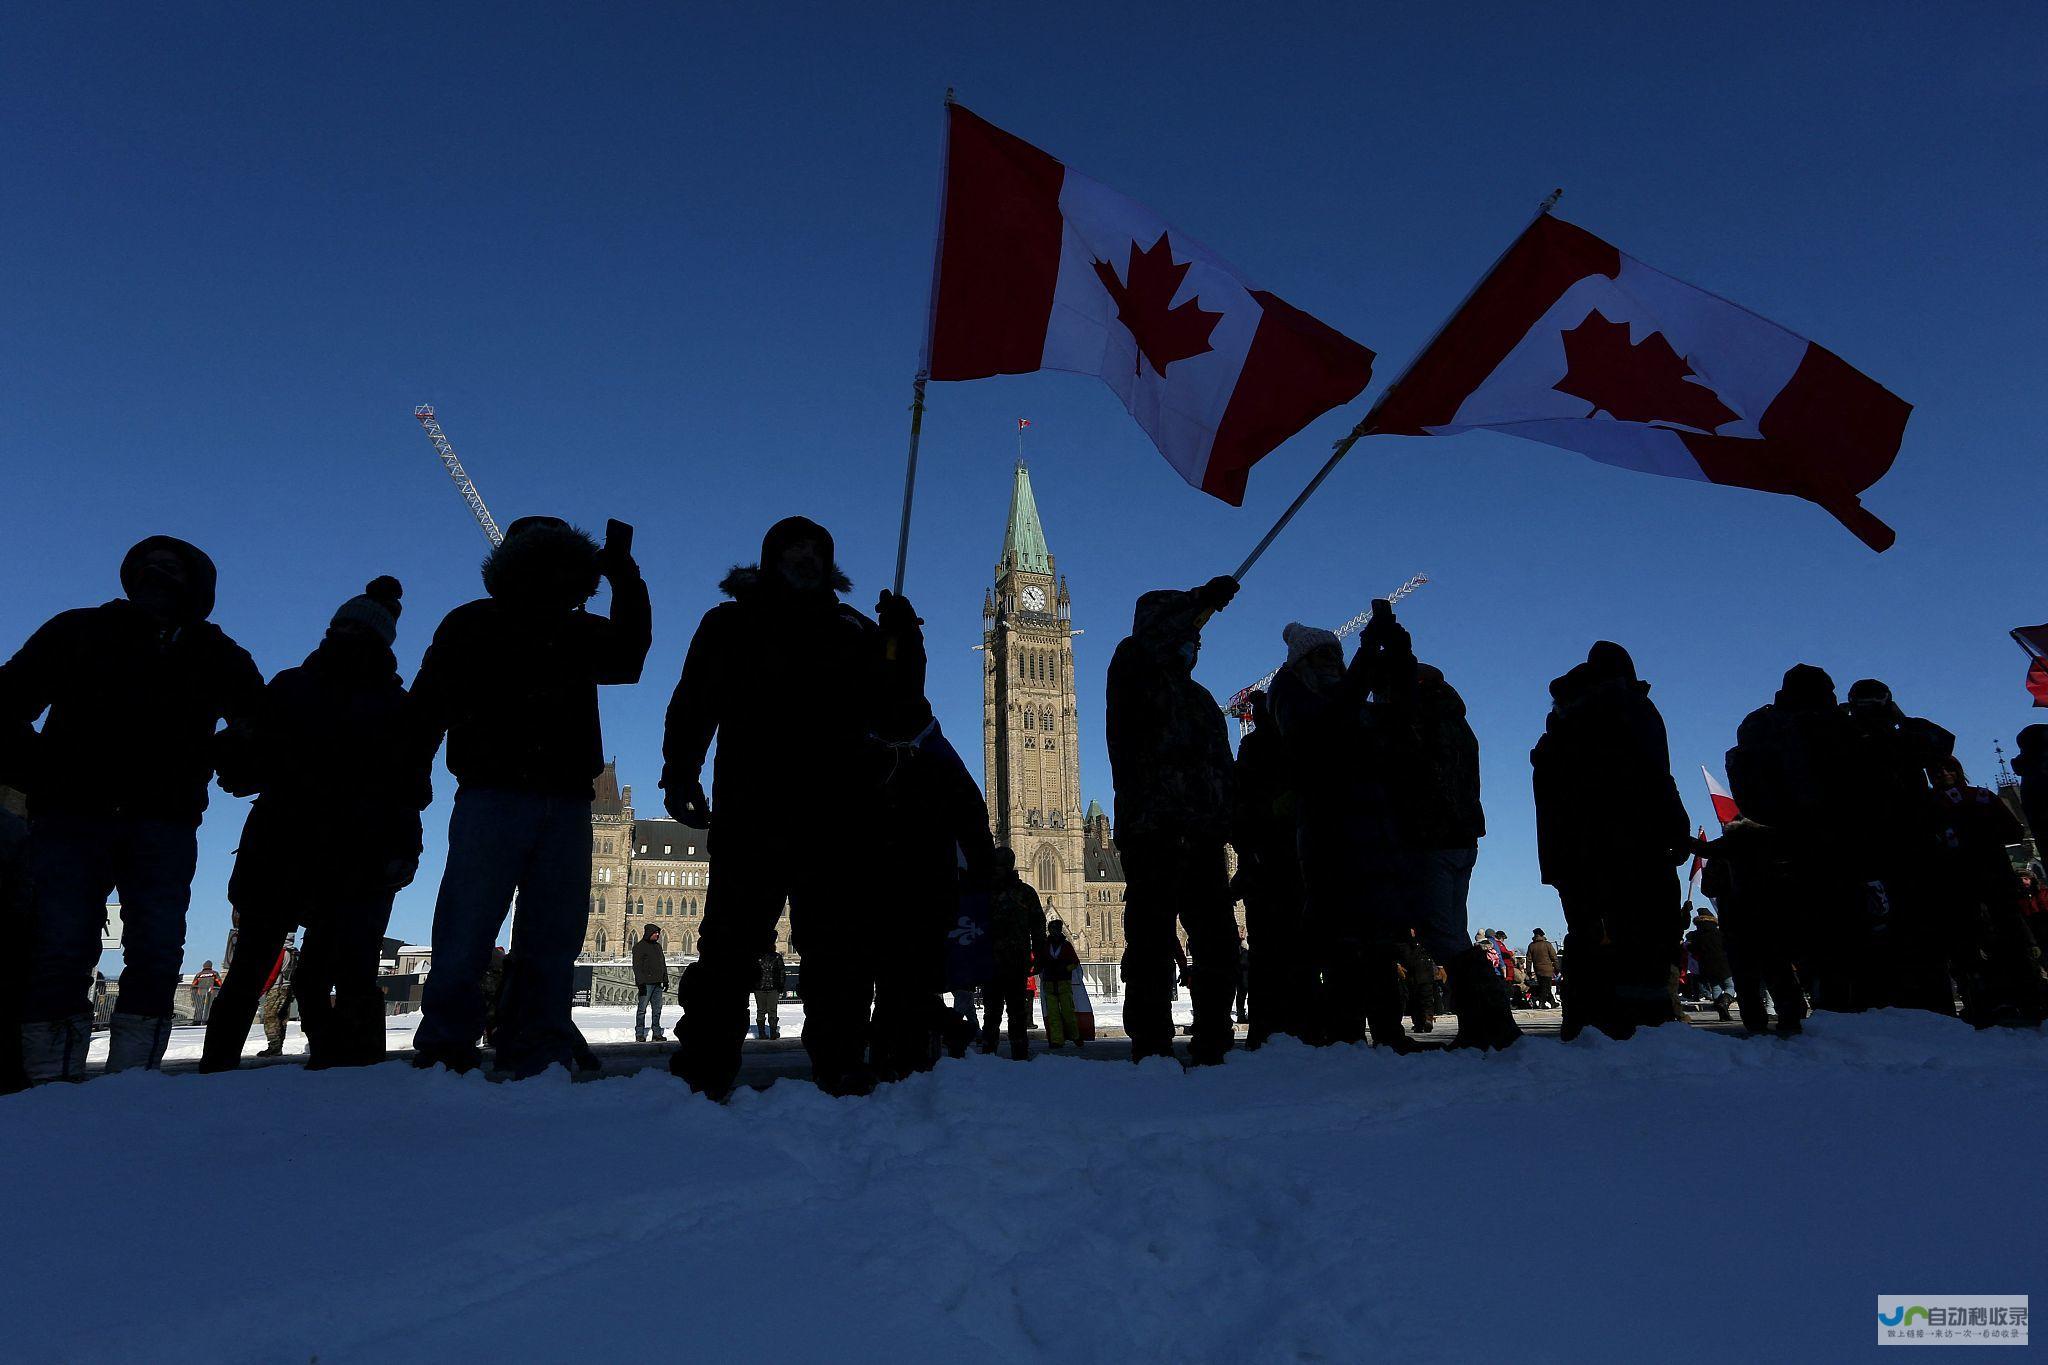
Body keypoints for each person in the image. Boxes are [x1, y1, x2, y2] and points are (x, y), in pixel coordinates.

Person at [1, 536, 263, 1079]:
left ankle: (133, 1084)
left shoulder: (215, 652)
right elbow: (7, 702)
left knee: (156, 949)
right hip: (73, 815)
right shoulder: (77, 630)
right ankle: (50, 1078)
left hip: (163, 820)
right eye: (150, 567)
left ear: (196, 588)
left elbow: (258, 728)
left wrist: (229, 759)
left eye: (171, 569)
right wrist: (39, 770)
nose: (157, 576)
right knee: (59, 945)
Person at [409, 517, 650, 1077]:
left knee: (550, 933)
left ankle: (535, 1044)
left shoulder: (576, 630)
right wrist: (412, 777)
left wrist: (625, 575)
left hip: (566, 801)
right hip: (494, 792)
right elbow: (427, 707)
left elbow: (630, 658)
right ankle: (449, 1044)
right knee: (469, 926)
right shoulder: (474, 622)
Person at [663, 517, 882, 1099]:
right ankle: (707, 1062)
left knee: (836, 949)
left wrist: (904, 649)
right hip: (752, 808)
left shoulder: (854, 631)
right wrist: (680, 770)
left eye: (816, 552)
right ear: (771, 559)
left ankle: (840, 1061)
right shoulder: (731, 623)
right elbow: (693, 701)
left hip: (832, 816)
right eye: (794, 551)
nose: (805, 560)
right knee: (730, 947)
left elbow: (894, 714)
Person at [200, 577, 430, 1073]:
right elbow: (415, 791)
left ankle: (216, 1070)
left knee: (252, 971)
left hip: (283, 842)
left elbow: (244, 769)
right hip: (354, 854)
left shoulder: (291, 686)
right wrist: (402, 850)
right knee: (344, 972)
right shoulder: (395, 704)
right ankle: (350, 1068)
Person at [1357, 603, 1516, 1050]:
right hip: (1459, 837)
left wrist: (1388, 645)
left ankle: (1495, 1024)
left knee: (1442, 934)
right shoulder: (1454, 722)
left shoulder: (1421, 720)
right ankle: (1480, 1026)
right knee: (1452, 930)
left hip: (1433, 838)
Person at [1104, 575, 1242, 1065]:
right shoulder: (1132, 670)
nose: (1194, 645)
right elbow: (1149, 642)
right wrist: (1201, 602)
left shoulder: (1202, 700)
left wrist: (1238, 834)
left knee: (1219, 944)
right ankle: (1152, 1043)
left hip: (1203, 837)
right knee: (1151, 946)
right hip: (1154, 833)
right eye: (1189, 636)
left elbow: (1224, 774)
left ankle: (1213, 1035)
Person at [865, 589, 996, 1082]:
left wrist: (982, 873)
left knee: (908, 981)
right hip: (877, 885)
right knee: (892, 982)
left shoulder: (931, 749)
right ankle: (910, 1053)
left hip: (923, 889)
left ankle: (913, 1060)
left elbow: (971, 815)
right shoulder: (879, 745)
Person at [1532, 642, 1690, 1041]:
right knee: (1646, 931)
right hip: (1634, 843)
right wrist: (1676, 826)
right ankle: (1650, 1021)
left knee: (1589, 935)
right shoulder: (1629, 710)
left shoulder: (1559, 730)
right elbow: (1655, 775)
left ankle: (1586, 1021)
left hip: (1573, 855)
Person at [1725, 665, 1868, 1013]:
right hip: (1829, 836)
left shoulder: (1758, 725)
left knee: (1789, 931)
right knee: (1836, 924)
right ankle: (1839, 1000)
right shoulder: (1830, 725)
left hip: (1777, 839)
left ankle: (1801, 1002)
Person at [1839, 679, 1954, 1011]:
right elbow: (1943, 745)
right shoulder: (1899, 734)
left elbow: (1942, 748)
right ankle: (1927, 1001)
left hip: (1876, 842)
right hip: (1901, 841)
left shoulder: (1849, 736)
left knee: (1888, 924)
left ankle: (1892, 1000)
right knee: (1912, 924)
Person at [1923, 758, 2046, 1027]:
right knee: (1985, 939)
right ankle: (2004, 996)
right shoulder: (1972, 799)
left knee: (2000, 937)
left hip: (1982, 879)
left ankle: (2018, 996)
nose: (1944, 773)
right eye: (1938, 770)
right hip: (1972, 881)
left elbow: (2012, 830)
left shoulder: (1950, 802)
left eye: (1948, 768)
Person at [1230, 689, 1312, 1045]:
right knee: (1291, 947)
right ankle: (1292, 1024)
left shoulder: (1256, 751)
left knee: (1273, 950)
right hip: (1281, 862)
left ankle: (1269, 1028)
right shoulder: (1288, 750)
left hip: (1273, 862)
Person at [1696, 818, 1806, 1037]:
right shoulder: (1774, 843)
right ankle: (1791, 1017)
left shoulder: (1723, 849)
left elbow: (1708, 888)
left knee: (1746, 976)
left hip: (1737, 921)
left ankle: (1755, 1023)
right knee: (1778, 969)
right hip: (1772, 917)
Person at [982, 847, 1047, 1060]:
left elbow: (1038, 926)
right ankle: (989, 1055)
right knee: (992, 1013)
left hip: (1014, 963)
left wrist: (1039, 954)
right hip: (993, 962)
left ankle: (1018, 1056)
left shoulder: (1024, 893)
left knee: (1016, 1013)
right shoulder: (989, 892)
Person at [1038, 920, 1082, 1049]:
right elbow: (1040, 962)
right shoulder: (1046, 946)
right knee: (1053, 1014)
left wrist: (1064, 969)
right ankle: (1057, 1040)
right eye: (1051, 929)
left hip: (1063, 983)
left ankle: (1075, 1036)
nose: (1054, 932)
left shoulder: (1066, 945)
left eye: (1056, 929)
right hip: (1050, 984)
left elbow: (1075, 962)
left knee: (1068, 1013)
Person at [1686, 910, 1735, 1021]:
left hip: (1706, 965)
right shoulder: (1719, 933)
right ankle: (1725, 1002)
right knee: (1730, 986)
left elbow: (1693, 949)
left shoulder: (1696, 935)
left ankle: (1722, 1013)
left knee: (1715, 987)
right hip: (1723, 963)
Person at [257, 940, 297, 1056]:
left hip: (276, 988)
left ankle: (274, 1046)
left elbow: (273, 973)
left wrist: (263, 989)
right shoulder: (291, 951)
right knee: (282, 1017)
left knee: (270, 1016)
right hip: (287, 987)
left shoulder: (280, 951)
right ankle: (278, 1046)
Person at [632, 924, 668, 1043]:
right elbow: (637, 967)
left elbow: (662, 964)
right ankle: (639, 1033)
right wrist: (641, 983)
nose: (657, 935)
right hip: (646, 984)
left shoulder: (658, 947)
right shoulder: (639, 947)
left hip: (657, 983)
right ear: (649, 933)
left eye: (658, 933)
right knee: (642, 1010)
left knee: (657, 1010)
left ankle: (656, 1033)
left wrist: (665, 979)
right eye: (655, 933)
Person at [753, 951, 785, 1040]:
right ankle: (773, 1033)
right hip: (773, 987)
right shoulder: (777, 956)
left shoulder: (756, 956)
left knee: (761, 1010)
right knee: (772, 1010)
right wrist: (781, 986)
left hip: (759, 987)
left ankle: (762, 1034)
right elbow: (782, 972)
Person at [1525, 928, 1559, 1007]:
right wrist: (1557, 968)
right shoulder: (1547, 944)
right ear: (1542, 935)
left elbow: (1528, 960)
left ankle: (1552, 1002)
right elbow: (1554, 957)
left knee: (1544, 986)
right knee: (1546, 987)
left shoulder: (1531, 945)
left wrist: (1529, 971)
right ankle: (1542, 1002)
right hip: (1547, 969)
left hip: (1537, 969)